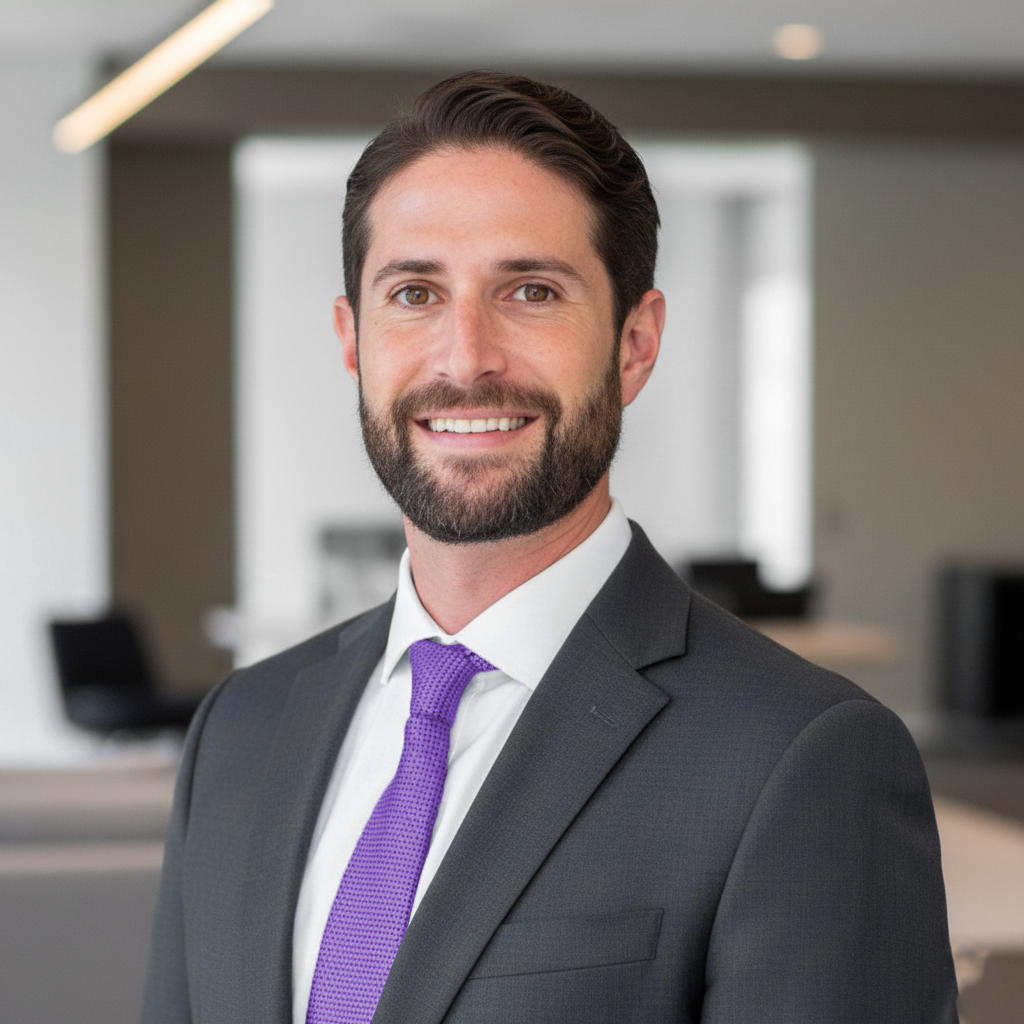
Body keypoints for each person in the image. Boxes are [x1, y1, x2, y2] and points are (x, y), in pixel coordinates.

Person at [141, 72, 958, 1024]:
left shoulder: (802, 758)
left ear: (634, 343)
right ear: (352, 339)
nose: (465, 358)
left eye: (531, 291)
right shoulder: (239, 732)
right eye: (414, 292)